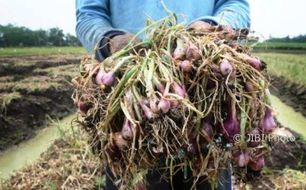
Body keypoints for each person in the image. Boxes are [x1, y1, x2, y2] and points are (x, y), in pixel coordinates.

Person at [76, 0, 250, 189]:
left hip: (208, 109)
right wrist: (109, 39)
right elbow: (89, 14)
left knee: (209, 169)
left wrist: (213, 25)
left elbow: (236, 6)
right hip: (131, 117)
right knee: (132, 173)